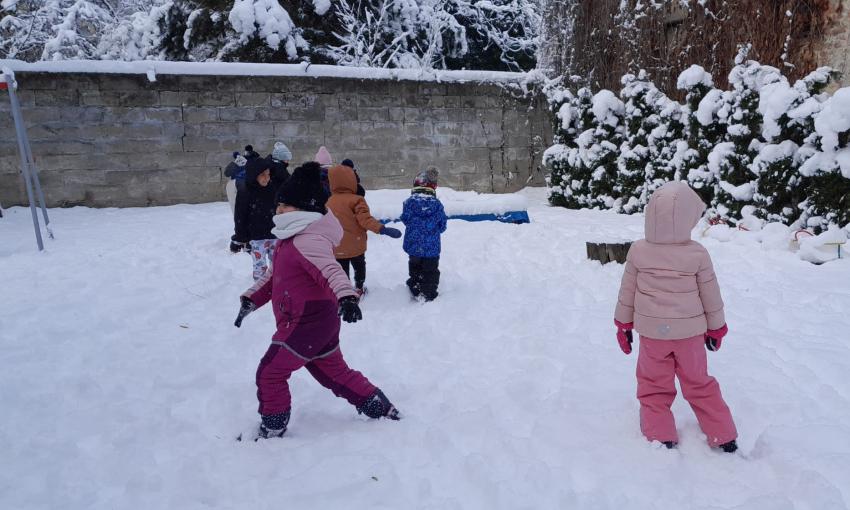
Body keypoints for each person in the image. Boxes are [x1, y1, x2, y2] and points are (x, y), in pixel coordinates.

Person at [233, 162, 401, 439]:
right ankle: (381, 407)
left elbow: (331, 270)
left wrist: (347, 297)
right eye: (278, 205)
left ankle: (273, 426)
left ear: (305, 209)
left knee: (270, 372)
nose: (278, 211)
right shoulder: (290, 237)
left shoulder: (308, 240)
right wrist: (251, 298)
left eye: (285, 206)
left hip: (305, 323)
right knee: (334, 373)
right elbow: (274, 277)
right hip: (317, 323)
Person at [614, 181, 737, 452]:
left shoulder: (638, 250)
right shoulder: (697, 253)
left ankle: (661, 436)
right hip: (690, 337)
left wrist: (623, 324)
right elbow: (711, 294)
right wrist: (716, 328)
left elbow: (627, 290)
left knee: (653, 385)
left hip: (652, 336)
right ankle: (723, 434)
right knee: (699, 383)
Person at [326, 164, 401, 296]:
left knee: (341, 270)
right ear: (351, 180)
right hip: (356, 245)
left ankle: (344, 291)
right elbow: (365, 220)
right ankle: (359, 287)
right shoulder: (356, 200)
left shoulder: (328, 201)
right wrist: (382, 228)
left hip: (337, 246)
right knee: (359, 266)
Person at [231, 157, 285, 281]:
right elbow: (240, 217)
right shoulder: (245, 192)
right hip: (257, 238)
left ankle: (277, 285)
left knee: (278, 265)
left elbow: (281, 209)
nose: (267, 178)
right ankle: (260, 287)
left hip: (275, 235)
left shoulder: (273, 189)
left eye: (268, 174)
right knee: (259, 267)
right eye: (262, 175)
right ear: (254, 175)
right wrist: (240, 237)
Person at [400, 168, 447, 301]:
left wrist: (415, 227)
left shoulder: (408, 203)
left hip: (414, 246)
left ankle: (415, 287)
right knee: (430, 271)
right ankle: (429, 292)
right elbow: (442, 225)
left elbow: (405, 219)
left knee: (415, 267)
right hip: (431, 247)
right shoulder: (437, 205)